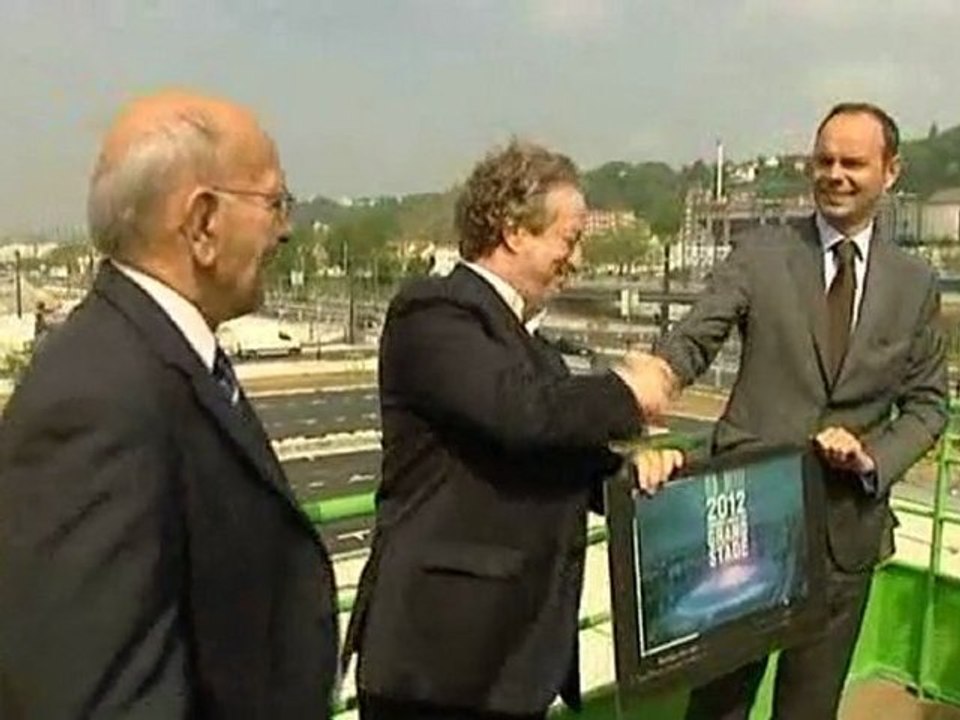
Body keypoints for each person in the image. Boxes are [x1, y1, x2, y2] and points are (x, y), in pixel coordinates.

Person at [0, 91, 338, 719]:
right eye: (274, 203)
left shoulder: (160, 358)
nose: (286, 229)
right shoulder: (96, 401)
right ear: (203, 223)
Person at [343, 139, 681, 720]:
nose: (574, 260)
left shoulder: (534, 351)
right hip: (438, 663)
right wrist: (630, 389)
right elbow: (520, 415)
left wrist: (625, 471)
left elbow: (549, 452)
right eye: (568, 240)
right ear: (514, 231)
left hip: (513, 661)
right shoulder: (434, 312)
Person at [656, 102, 948, 719]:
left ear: (891, 171)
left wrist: (874, 457)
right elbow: (696, 336)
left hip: (846, 532)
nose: (835, 174)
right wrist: (657, 375)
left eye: (853, 162)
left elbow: (927, 407)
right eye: (824, 160)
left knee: (809, 709)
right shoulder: (761, 254)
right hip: (748, 529)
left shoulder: (914, 284)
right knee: (718, 707)